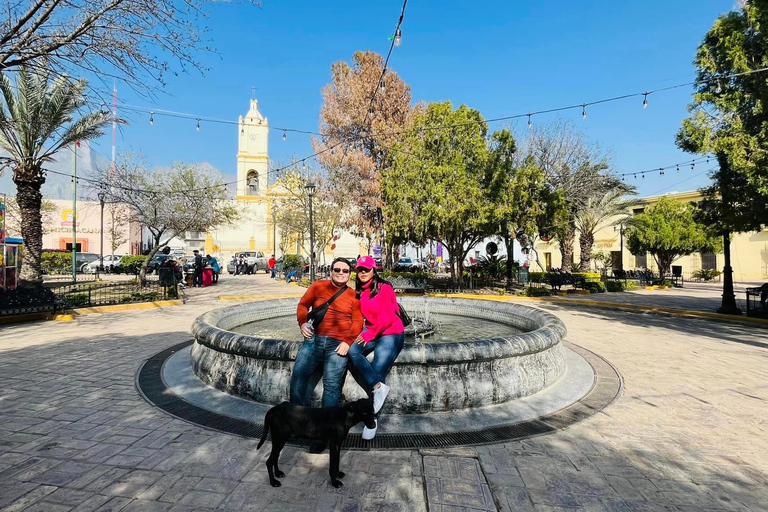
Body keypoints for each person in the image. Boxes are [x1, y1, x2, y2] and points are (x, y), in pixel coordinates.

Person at [292, 257, 362, 453]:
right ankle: (295, 423)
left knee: (331, 388)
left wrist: (347, 342)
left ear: (350, 274)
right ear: (331, 271)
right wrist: (303, 323)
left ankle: (322, 434)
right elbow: (303, 305)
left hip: (337, 346)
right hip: (313, 340)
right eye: (337, 269)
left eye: (345, 271)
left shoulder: (354, 296)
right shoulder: (317, 287)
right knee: (298, 377)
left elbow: (358, 322)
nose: (341, 273)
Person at [348, 255, 405, 440]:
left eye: (366, 269)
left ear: (374, 270)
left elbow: (388, 316)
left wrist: (369, 334)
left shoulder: (384, 287)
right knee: (353, 351)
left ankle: (372, 422)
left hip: (391, 332)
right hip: (373, 331)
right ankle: (378, 386)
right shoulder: (360, 291)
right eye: (360, 269)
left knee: (379, 366)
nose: (363, 272)